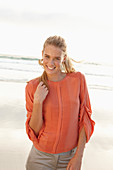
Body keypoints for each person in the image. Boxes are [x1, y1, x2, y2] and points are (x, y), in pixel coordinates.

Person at [25, 35, 95, 170]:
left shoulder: (78, 80)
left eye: (57, 58)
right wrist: (38, 102)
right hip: (40, 158)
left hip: (69, 158)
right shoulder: (33, 86)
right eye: (47, 57)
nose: (50, 63)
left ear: (64, 58)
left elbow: (85, 120)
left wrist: (78, 157)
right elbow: (34, 130)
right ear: (42, 55)